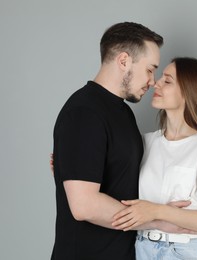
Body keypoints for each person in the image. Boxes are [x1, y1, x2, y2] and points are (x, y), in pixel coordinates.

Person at [50, 22, 164, 260]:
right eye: (150, 69)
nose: (152, 81)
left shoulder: (122, 112)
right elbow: (84, 205)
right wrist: (159, 222)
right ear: (124, 61)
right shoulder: (84, 112)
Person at [111, 57, 197, 260]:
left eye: (167, 81)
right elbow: (115, 188)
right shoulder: (145, 142)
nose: (155, 83)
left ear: (190, 92)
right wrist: (72, 167)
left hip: (185, 252)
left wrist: (157, 211)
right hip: (141, 249)